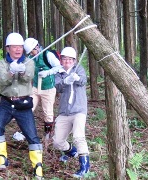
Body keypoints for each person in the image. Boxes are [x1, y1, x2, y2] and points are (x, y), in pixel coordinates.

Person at [0, 33, 43, 179]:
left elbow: (29, 77)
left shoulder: (29, 62)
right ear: (8, 48)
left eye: (20, 46)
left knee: (32, 135)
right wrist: (10, 72)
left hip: (23, 103)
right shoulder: (1, 63)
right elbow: (2, 81)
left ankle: (38, 166)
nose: (18, 49)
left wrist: (21, 70)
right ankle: (2, 158)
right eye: (14, 47)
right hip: (6, 102)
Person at [53, 47, 90, 178]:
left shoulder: (79, 69)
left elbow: (83, 80)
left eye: (70, 59)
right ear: (61, 60)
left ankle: (85, 167)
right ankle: (71, 152)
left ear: (74, 60)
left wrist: (76, 78)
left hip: (79, 109)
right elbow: (57, 86)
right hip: (64, 111)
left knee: (78, 137)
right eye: (64, 59)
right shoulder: (59, 72)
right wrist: (65, 81)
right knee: (57, 141)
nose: (67, 61)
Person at [24, 38, 62, 138]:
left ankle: (48, 134)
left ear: (37, 46)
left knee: (48, 112)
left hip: (48, 88)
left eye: (32, 51)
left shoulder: (47, 55)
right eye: (30, 52)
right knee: (28, 108)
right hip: (35, 88)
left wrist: (48, 72)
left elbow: (59, 67)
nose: (32, 53)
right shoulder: (30, 58)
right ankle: (26, 131)